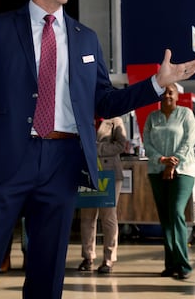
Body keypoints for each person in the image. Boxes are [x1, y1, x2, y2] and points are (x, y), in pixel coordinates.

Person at [0, 0, 195, 299]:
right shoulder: (0, 28)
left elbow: (105, 101)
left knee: (48, 268)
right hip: (9, 159)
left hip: (62, 162)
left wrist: (155, 84)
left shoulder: (85, 38)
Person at [142, 83, 195, 280]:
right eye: (163, 92)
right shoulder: (152, 118)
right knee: (165, 218)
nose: (167, 95)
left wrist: (172, 163)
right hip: (156, 171)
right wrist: (161, 160)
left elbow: (188, 143)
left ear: (177, 95)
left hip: (183, 171)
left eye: (170, 92)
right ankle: (170, 264)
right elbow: (146, 144)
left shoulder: (187, 114)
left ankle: (183, 264)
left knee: (175, 213)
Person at [78, 116, 127, 274]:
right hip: (87, 172)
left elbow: (121, 145)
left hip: (110, 174)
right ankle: (87, 257)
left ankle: (109, 258)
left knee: (108, 216)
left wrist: (95, 148)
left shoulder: (115, 121)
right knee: (87, 216)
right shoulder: (83, 115)